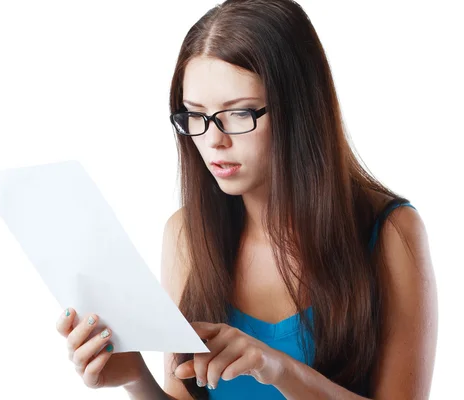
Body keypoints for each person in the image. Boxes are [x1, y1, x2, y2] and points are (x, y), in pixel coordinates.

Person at [55, 0, 438, 398]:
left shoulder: (391, 232)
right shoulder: (187, 233)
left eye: (238, 114)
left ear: (300, 109)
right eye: (195, 115)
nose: (213, 140)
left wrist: (276, 368)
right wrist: (133, 376)